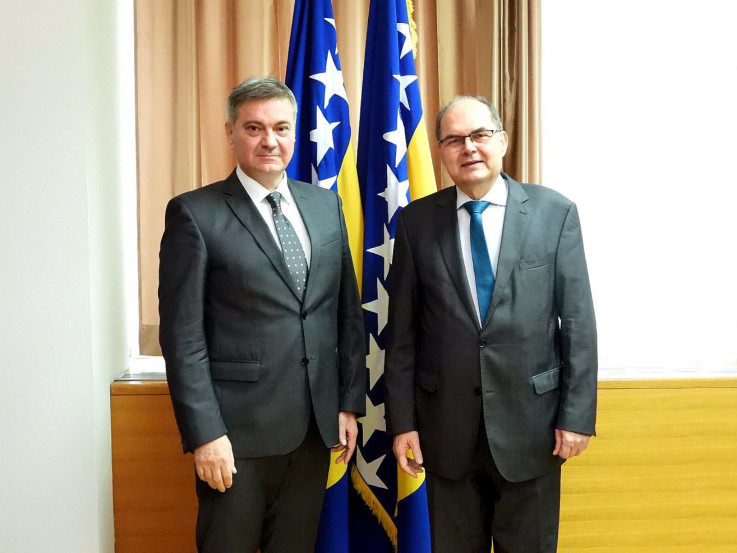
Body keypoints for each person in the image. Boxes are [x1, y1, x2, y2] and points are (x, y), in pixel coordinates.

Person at [158, 76, 366, 553]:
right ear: (230, 133)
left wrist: (348, 403)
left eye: (280, 128)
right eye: (254, 128)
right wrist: (205, 435)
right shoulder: (195, 214)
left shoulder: (325, 206)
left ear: (294, 132)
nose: (269, 140)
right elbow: (182, 338)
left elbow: (346, 314)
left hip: (314, 432)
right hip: (235, 438)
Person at [384, 95, 597, 553]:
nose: (469, 148)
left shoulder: (554, 213)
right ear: (442, 152)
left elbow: (578, 322)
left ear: (502, 141)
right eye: (454, 140)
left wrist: (577, 416)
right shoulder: (417, 222)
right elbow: (402, 334)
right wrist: (402, 423)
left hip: (533, 430)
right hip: (445, 432)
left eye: (479, 135)